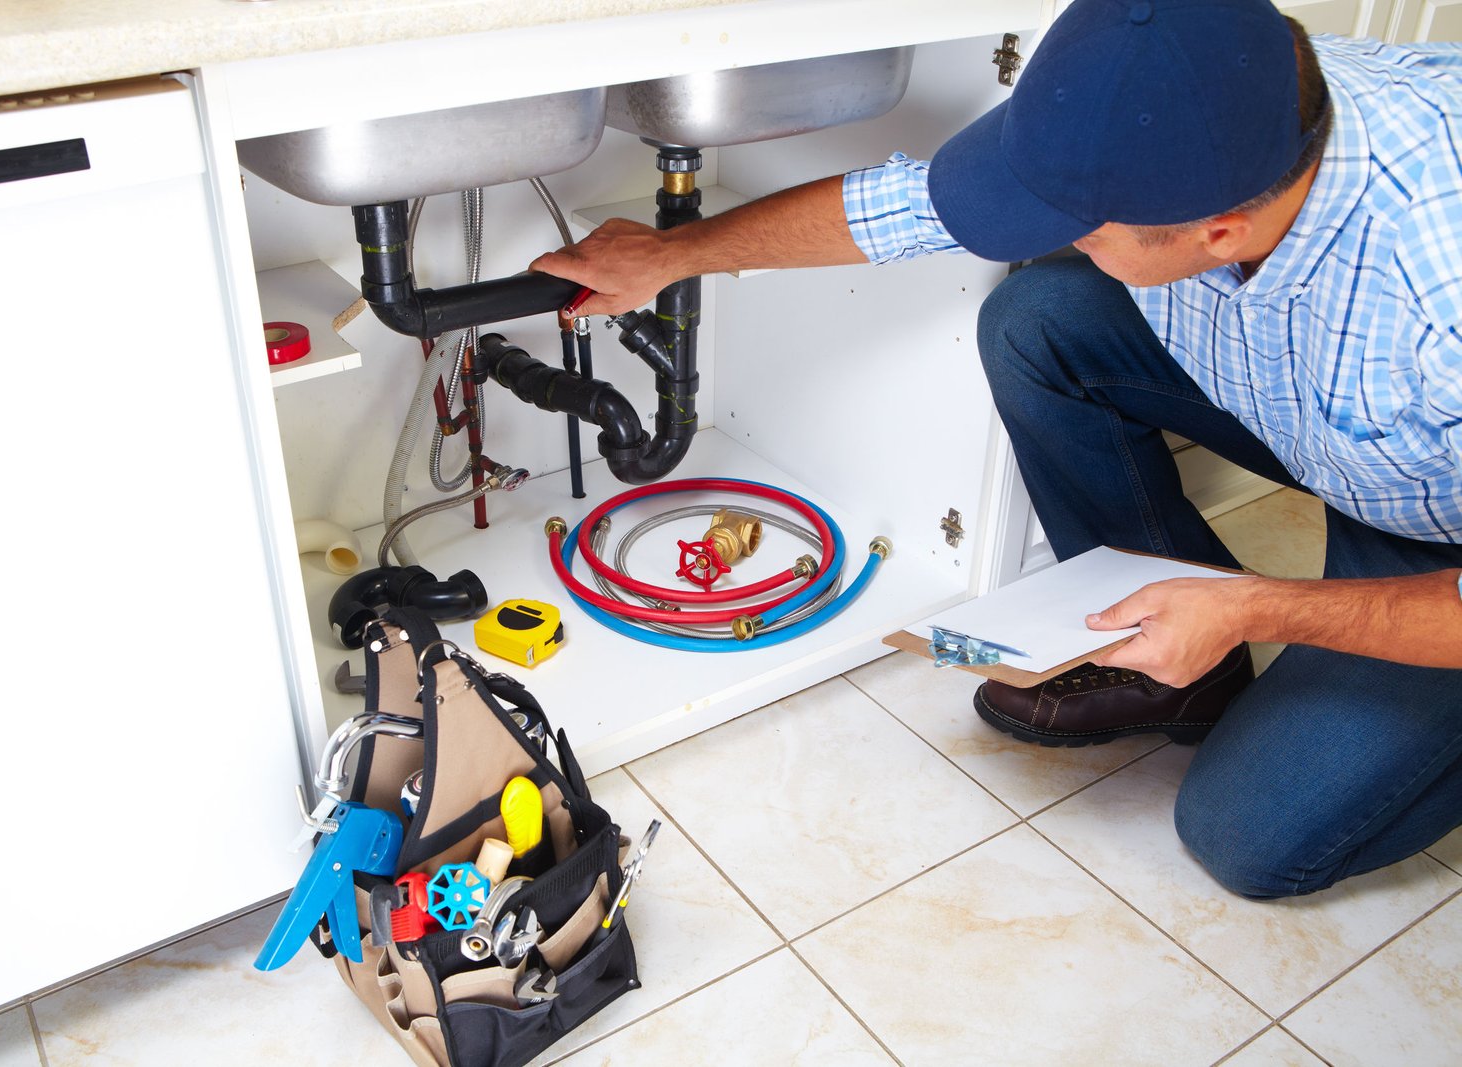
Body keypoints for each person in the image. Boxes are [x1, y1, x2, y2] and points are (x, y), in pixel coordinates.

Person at [532, 0, 1462, 899]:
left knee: (1247, 837)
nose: (1053, 233)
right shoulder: (1209, 95)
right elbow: (907, 208)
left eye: (1081, 230)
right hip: (1334, 423)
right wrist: (676, 253)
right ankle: (1190, 669)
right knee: (1039, 318)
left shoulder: (1438, 290)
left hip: (1439, 544)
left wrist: (1257, 605)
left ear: (1219, 233)